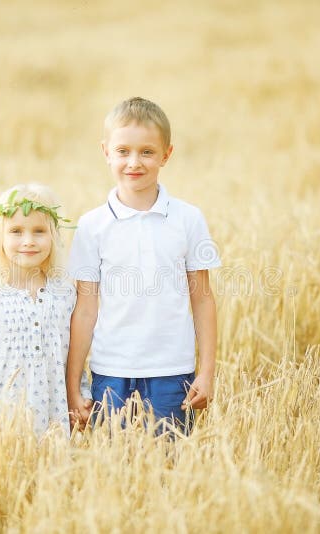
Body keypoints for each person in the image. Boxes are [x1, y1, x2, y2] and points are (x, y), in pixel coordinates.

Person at [66, 97, 221, 435]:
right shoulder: (92, 225)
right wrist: (73, 385)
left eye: (147, 152)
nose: (134, 162)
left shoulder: (188, 219)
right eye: (123, 151)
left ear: (166, 154)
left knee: (170, 465)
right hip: (110, 371)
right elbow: (85, 307)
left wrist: (205, 372)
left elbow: (203, 299)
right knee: (112, 467)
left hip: (172, 371)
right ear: (106, 152)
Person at [0, 183, 89, 441]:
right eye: (16, 231)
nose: (28, 241)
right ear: (0, 238)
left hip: (54, 425)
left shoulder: (65, 296)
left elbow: (77, 357)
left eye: (39, 231)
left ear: (53, 236)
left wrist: (81, 395)